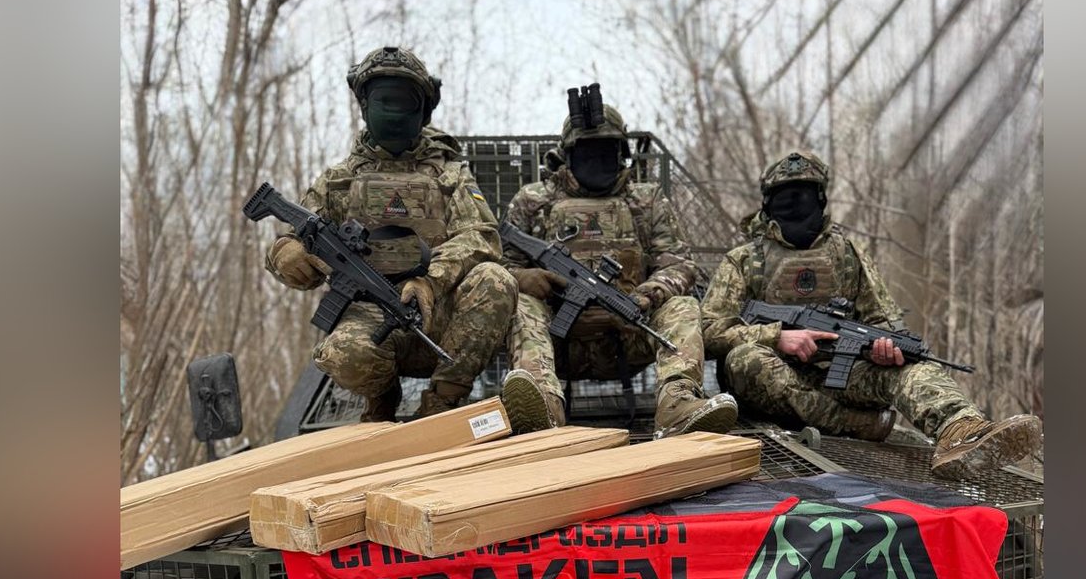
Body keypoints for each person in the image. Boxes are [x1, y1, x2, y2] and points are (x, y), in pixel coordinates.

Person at [702, 149, 1042, 480]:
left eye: (804, 193)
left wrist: (882, 349)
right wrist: (777, 337)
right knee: (745, 360)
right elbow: (708, 329)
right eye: (785, 195)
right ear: (767, 202)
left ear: (820, 198)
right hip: (771, 384)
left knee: (913, 366)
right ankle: (853, 424)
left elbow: (881, 320)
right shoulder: (745, 260)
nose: (795, 203)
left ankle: (961, 431)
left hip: (840, 375)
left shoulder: (848, 255)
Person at [263, 46, 515, 420]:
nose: (394, 111)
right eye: (385, 99)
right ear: (365, 105)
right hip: (369, 318)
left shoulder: (450, 176)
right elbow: (294, 238)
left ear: (423, 109)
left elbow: (482, 237)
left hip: (440, 322)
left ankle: (441, 403)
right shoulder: (339, 180)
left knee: (495, 279)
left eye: (404, 100)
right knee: (343, 355)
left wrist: (429, 282)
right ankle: (382, 398)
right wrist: (286, 253)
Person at [497, 93, 736, 438]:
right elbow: (498, 266)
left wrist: (644, 296)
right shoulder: (534, 200)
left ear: (622, 153)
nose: (597, 158)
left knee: (682, 306)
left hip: (629, 335)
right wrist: (523, 277)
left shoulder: (647, 200)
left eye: (607, 149)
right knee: (521, 304)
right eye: (587, 150)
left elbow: (680, 264)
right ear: (568, 154)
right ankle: (543, 410)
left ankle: (677, 404)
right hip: (556, 342)